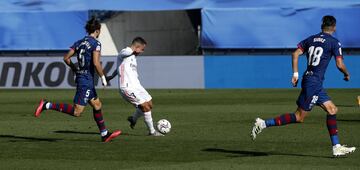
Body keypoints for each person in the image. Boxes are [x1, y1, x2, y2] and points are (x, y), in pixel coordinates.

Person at [251, 15, 356, 156]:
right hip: (314, 83)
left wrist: (295, 74)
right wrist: (347, 74)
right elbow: (339, 63)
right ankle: (263, 124)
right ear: (334, 27)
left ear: (322, 26)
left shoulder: (311, 39)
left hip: (311, 81)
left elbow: (295, 54)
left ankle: (336, 147)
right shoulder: (334, 42)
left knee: (332, 109)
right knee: (299, 117)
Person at [34, 17, 121, 142]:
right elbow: (96, 63)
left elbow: (66, 58)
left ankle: (105, 134)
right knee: (77, 112)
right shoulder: (96, 44)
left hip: (83, 77)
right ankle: (47, 105)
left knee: (97, 105)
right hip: (86, 80)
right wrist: (103, 77)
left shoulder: (79, 42)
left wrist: (75, 69)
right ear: (97, 30)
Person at [106, 37, 163, 136]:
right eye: (142, 49)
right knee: (145, 107)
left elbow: (119, 67)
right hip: (127, 87)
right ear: (137, 47)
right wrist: (133, 50)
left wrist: (111, 76)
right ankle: (152, 132)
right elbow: (124, 54)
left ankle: (133, 119)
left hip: (137, 86)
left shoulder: (133, 57)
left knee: (149, 104)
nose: (142, 51)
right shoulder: (125, 51)